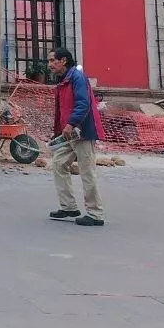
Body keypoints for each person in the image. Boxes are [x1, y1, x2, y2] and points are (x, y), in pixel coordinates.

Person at [48, 47, 106, 227]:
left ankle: (95, 213)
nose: (49, 65)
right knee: (58, 164)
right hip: (69, 132)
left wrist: (70, 124)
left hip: (81, 131)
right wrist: (61, 130)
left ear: (63, 60)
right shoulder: (65, 80)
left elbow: (83, 104)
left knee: (87, 170)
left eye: (52, 60)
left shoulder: (77, 78)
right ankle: (69, 207)